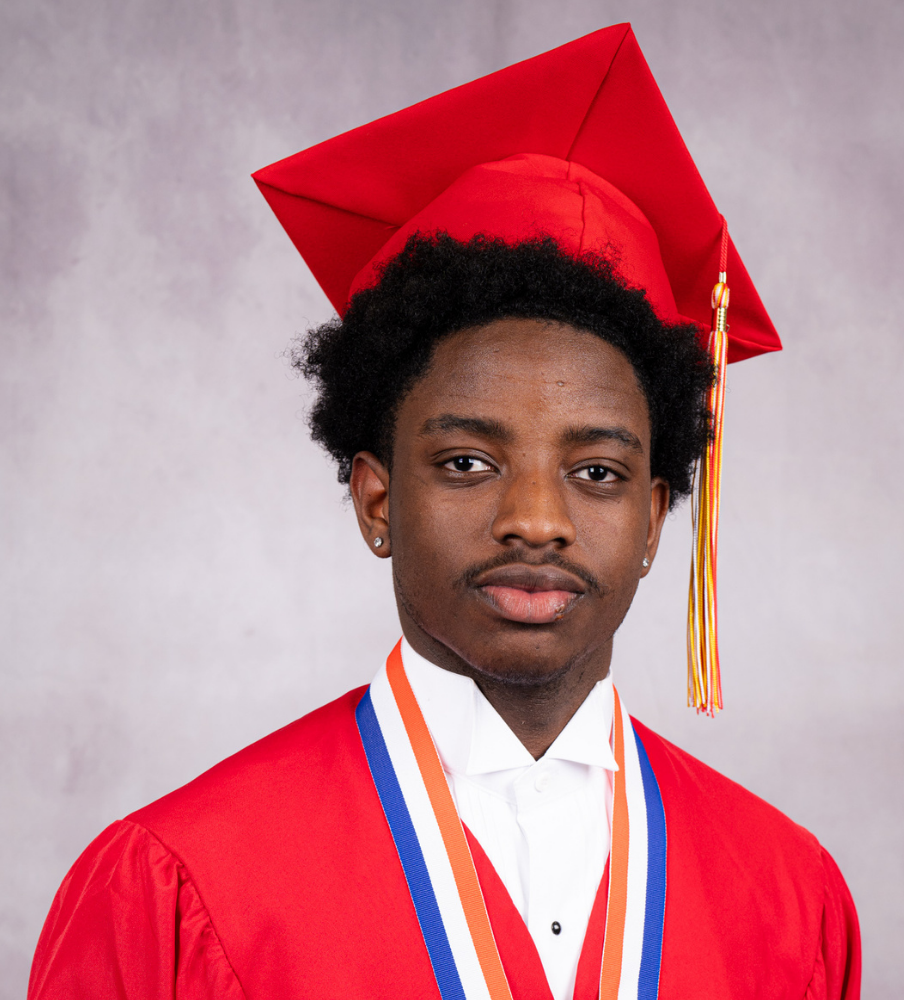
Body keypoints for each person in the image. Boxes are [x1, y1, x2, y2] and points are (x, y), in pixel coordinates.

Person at [27, 24, 861, 1000]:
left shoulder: (786, 893)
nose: (536, 520)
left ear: (654, 518)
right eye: (468, 460)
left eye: (596, 472)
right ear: (376, 499)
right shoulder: (180, 882)